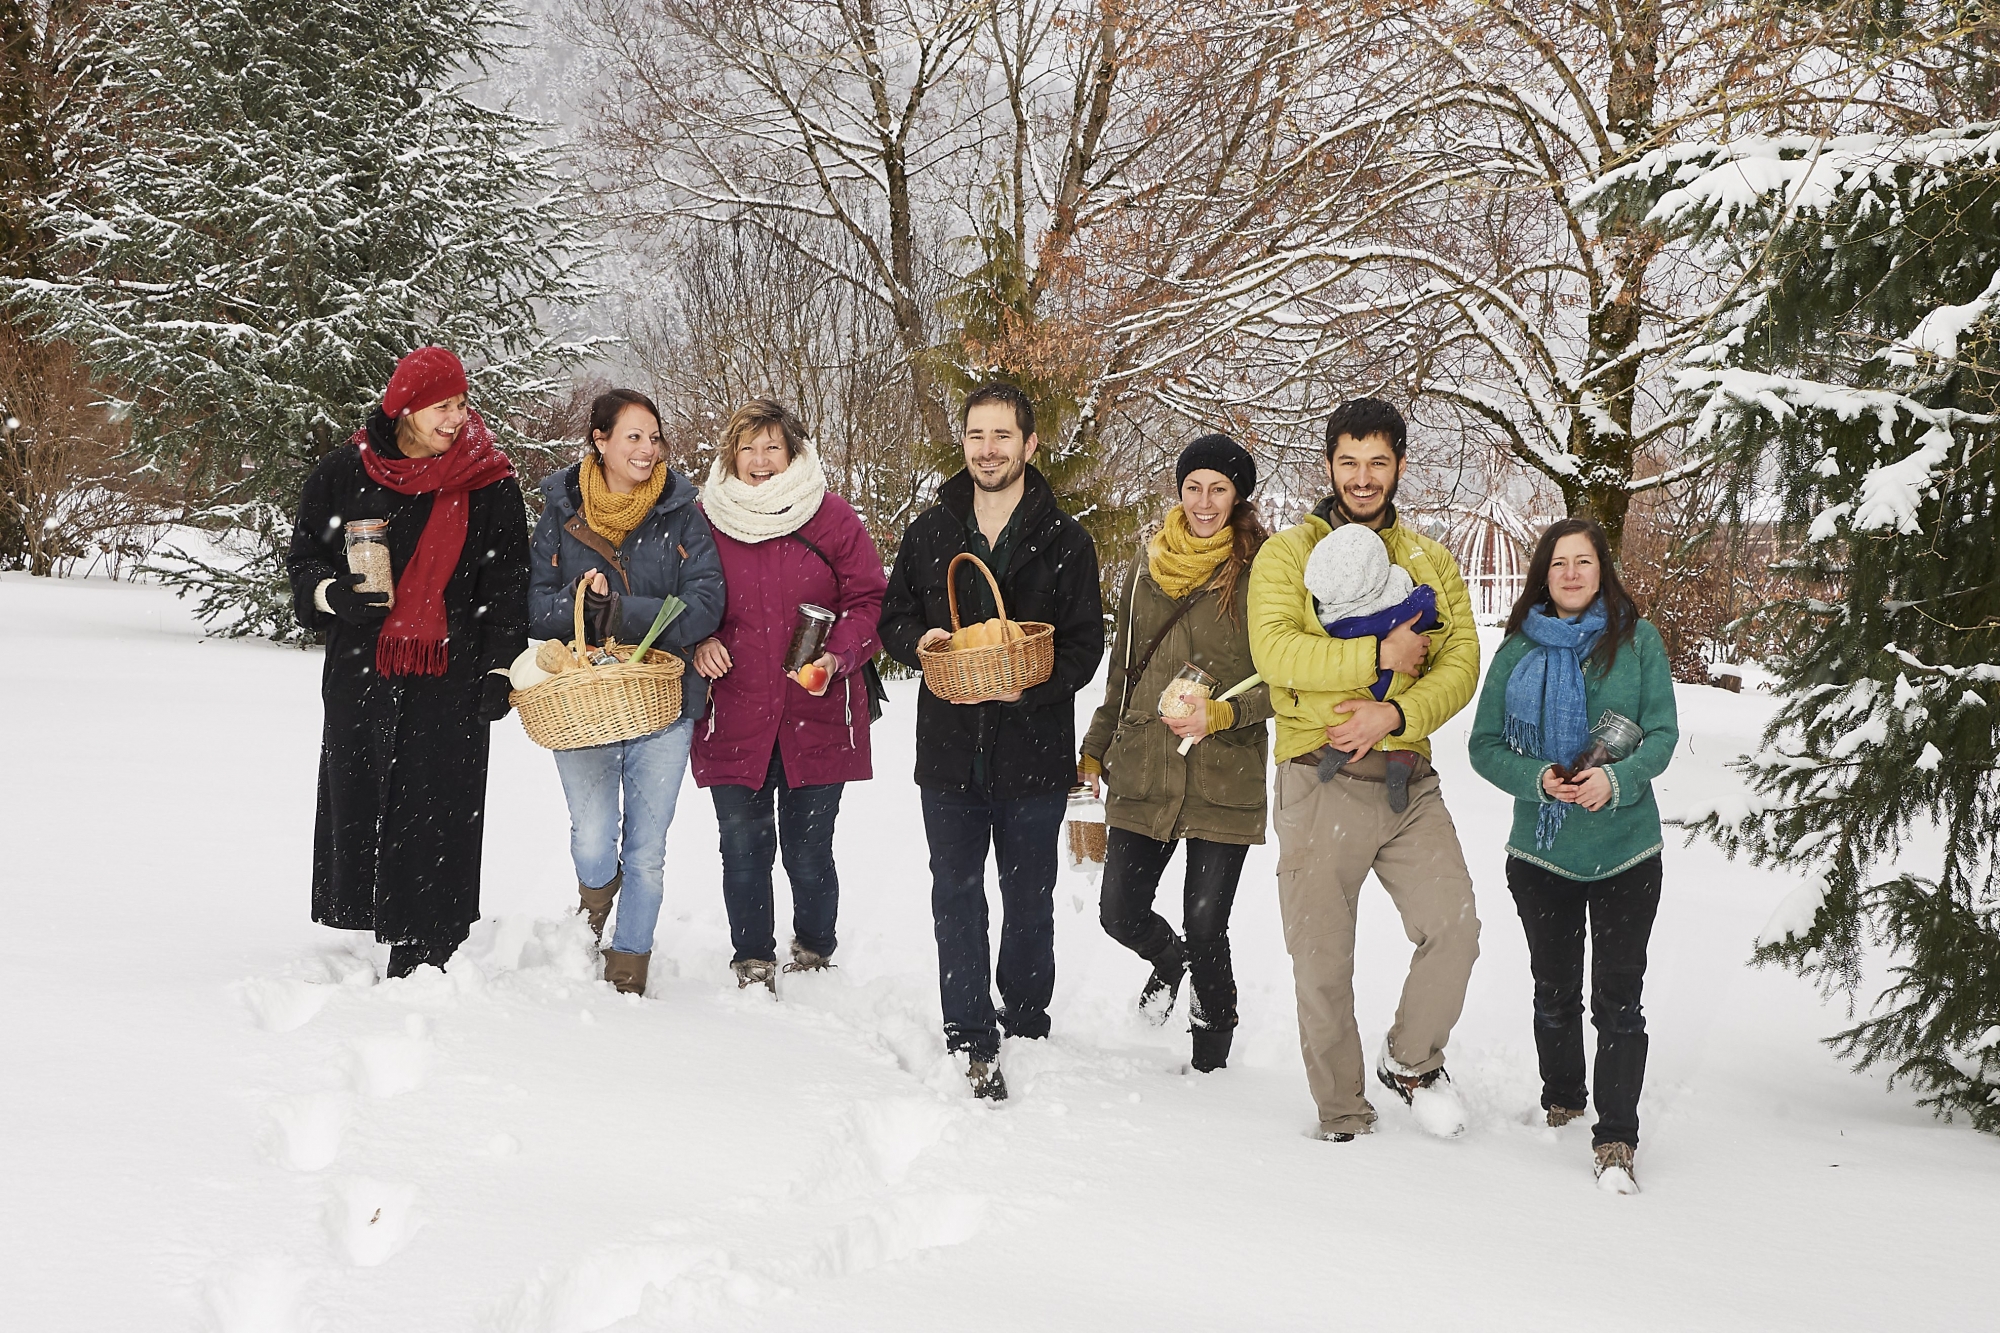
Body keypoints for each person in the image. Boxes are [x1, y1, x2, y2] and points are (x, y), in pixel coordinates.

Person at [1246, 396, 1482, 1141]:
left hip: (1409, 782)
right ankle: (1343, 1114)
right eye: (1348, 461)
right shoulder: (1289, 554)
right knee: (1322, 962)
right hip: (1320, 783)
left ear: (1400, 466)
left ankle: (1410, 1060)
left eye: (1378, 461)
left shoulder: (1429, 561)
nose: (1362, 476)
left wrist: (1394, 713)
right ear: (1328, 465)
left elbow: (1462, 663)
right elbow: (1275, 651)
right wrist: (1374, 657)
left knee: (1455, 926)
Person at [879, 382, 1104, 1101]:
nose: (988, 449)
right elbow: (892, 619)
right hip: (948, 753)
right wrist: (922, 641)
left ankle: (1027, 1014)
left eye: (1003, 435)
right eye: (977, 435)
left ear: (1030, 445)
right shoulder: (931, 532)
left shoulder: (1066, 541)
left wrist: (1028, 688)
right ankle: (969, 1031)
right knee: (955, 894)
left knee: (1029, 897)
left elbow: (1083, 647)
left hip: (1033, 754)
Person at [287, 346, 528, 978]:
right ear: (404, 408)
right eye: (440, 406)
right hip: (362, 666)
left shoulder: (489, 480)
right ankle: (370, 912)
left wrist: (501, 667)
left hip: (454, 667)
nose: (455, 418)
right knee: (362, 792)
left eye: (460, 404)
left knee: (441, 800)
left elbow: (508, 586)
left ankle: (428, 939)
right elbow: (304, 559)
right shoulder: (344, 472)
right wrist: (332, 594)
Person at [1467, 518, 1679, 1194]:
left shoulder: (1638, 642)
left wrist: (1616, 781)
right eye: (1559, 562)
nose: (1571, 573)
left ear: (1601, 569)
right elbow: (1484, 745)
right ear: (1544, 572)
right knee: (1554, 994)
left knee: (1619, 1001)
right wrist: (1539, 779)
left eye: (1583, 561)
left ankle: (1616, 1135)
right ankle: (1562, 1100)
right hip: (1542, 854)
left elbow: (1663, 734)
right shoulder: (1516, 650)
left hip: (1626, 852)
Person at [1078, 434, 1271, 1074]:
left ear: (1238, 495)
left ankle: (1210, 1065)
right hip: (1145, 763)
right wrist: (1095, 749)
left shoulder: (1265, 572)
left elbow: (1290, 679)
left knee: (1207, 923)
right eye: (1193, 487)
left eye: (1219, 488)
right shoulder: (1145, 569)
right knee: (1118, 912)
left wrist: (1226, 712)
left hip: (1224, 769)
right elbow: (1124, 671)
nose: (1205, 501)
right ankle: (1168, 958)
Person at [527, 389, 726, 996]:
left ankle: (628, 966)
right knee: (593, 840)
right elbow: (534, 609)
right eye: (632, 436)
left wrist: (623, 614)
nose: (646, 449)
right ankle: (595, 886)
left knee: (647, 848)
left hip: (661, 703)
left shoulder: (682, 513)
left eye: (653, 437)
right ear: (600, 441)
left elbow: (707, 604)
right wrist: (578, 606)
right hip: (583, 708)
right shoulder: (560, 513)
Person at [690, 399, 887, 991]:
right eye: (747, 447)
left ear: (794, 452)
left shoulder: (831, 518)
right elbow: (682, 596)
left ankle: (814, 949)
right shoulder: (705, 519)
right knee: (742, 847)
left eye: (772, 446)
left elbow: (870, 600)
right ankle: (751, 956)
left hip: (818, 710)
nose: (759, 460)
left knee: (808, 850)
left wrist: (839, 653)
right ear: (730, 454)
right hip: (734, 710)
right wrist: (698, 641)